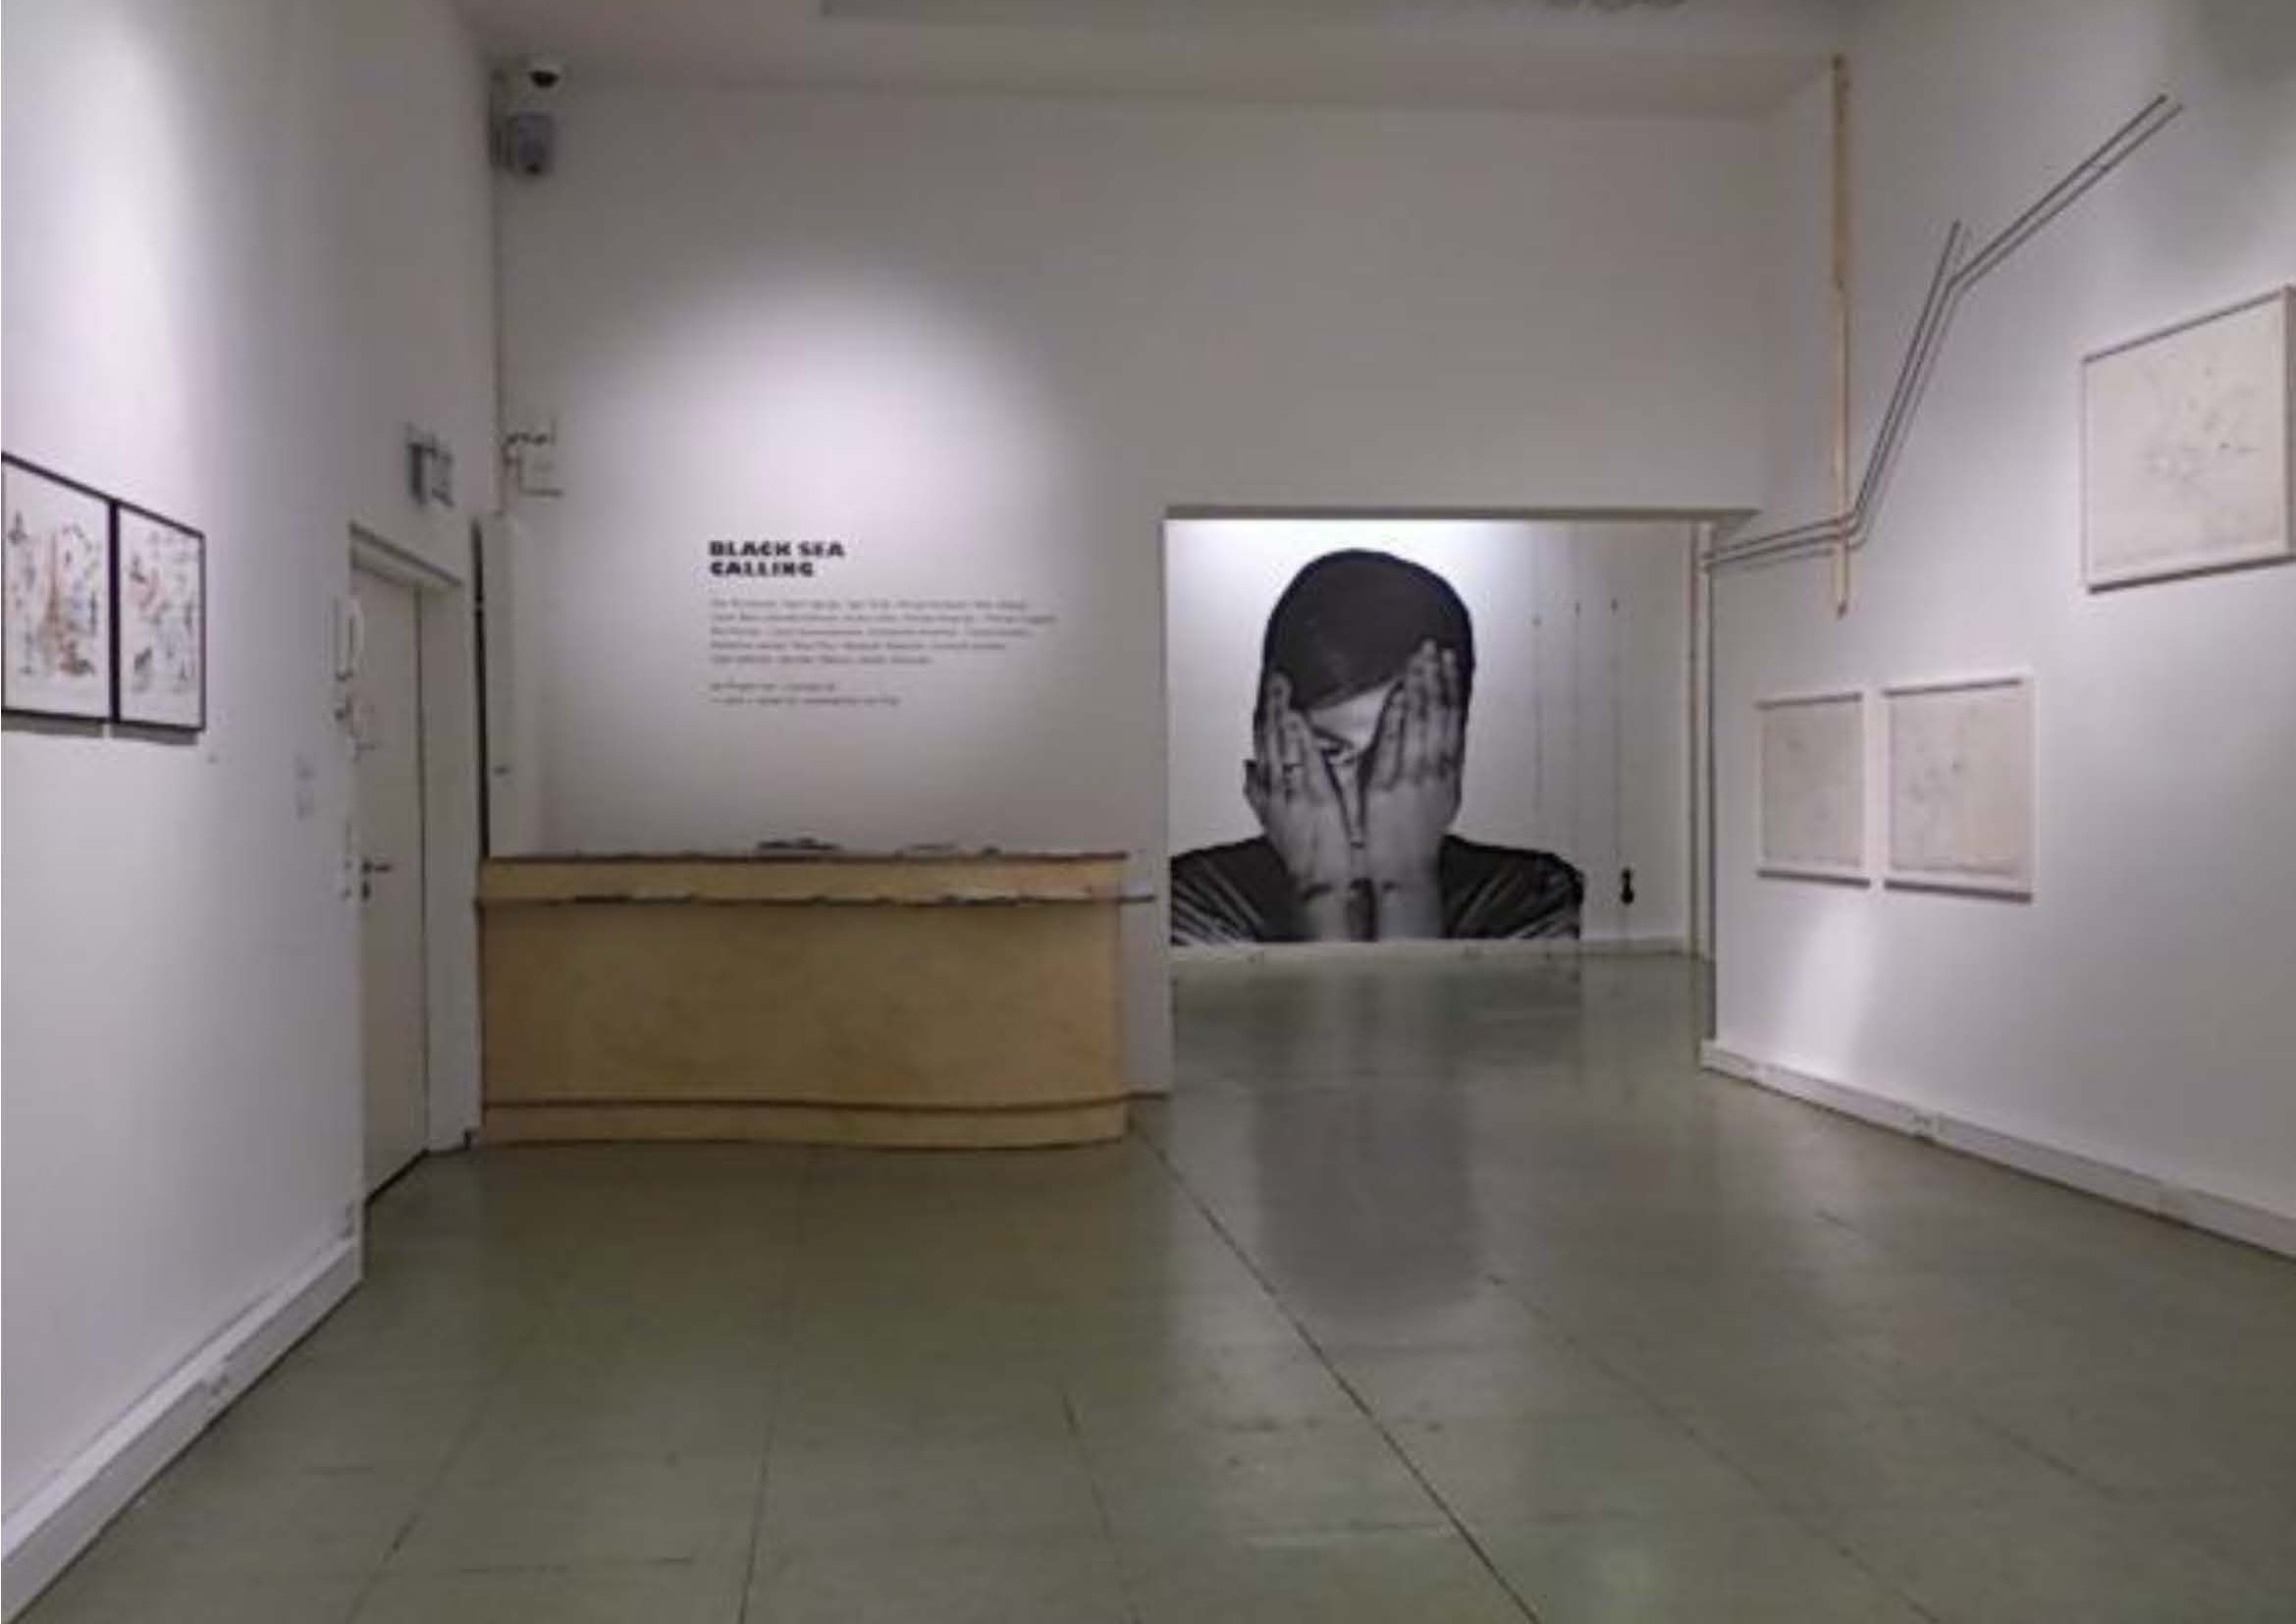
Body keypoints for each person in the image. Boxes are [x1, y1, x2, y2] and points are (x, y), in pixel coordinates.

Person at [1171, 549, 1582, 945]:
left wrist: (1405, 884)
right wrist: (1321, 892)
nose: (1375, 794)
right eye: (1331, 755)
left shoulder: (1531, 895)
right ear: (1268, 750)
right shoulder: (1195, 901)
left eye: (1398, 753)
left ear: (1452, 753)